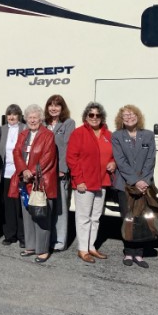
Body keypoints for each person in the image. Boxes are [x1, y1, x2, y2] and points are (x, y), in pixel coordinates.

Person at [67, 102, 116, 264]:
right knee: (83, 217)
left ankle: (91, 247)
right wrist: (78, 180)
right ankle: (82, 249)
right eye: (91, 115)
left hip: (102, 181)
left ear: (102, 117)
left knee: (96, 217)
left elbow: (114, 154)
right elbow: (71, 159)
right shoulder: (78, 133)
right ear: (86, 117)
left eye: (97, 115)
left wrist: (113, 162)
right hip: (85, 183)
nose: (94, 118)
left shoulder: (108, 135)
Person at [8, 104, 57, 263]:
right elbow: (16, 152)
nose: (32, 120)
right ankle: (30, 246)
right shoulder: (23, 134)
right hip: (25, 180)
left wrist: (32, 172)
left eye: (35, 117)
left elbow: (48, 158)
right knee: (28, 214)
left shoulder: (48, 135)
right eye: (30, 117)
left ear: (41, 119)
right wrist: (23, 170)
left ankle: (42, 249)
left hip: (40, 182)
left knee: (41, 215)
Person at [112, 105, 156, 268]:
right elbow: (120, 161)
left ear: (138, 116)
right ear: (121, 120)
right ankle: (129, 252)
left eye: (132, 114)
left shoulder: (148, 135)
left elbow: (151, 159)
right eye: (125, 116)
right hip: (125, 185)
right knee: (128, 218)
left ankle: (140, 254)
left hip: (145, 184)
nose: (129, 117)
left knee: (142, 218)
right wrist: (135, 181)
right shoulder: (117, 136)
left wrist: (144, 180)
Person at [44, 94, 75, 252]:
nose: (53, 108)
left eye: (57, 105)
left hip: (59, 172)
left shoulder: (68, 123)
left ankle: (59, 241)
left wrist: (63, 169)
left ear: (62, 108)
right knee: (45, 207)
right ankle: (46, 238)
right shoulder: (43, 123)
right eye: (51, 105)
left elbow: (69, 147)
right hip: (44, 173)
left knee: (60, 209)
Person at [0, 104, 26, 247]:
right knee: (8, 205)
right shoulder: (2, 129)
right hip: (6, 173)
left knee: (21, 206)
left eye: (14, 114)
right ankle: (10, 235)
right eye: (9, 114)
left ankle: (22, 236)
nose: (11, 117)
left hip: (20, 172)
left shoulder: (25, 128)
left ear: (19, 116)